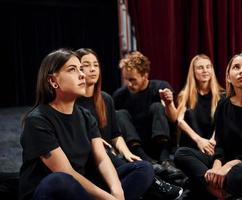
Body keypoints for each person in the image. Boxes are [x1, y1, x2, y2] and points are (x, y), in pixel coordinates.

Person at [19, 49, 154, 200]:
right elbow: (66, 171)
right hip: (52, 190)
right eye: (72, 70)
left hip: (81, 189)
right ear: (52, 81)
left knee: (143, 169)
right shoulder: (37, 121)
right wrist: (109, 198)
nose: (82, 74)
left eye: (80, 69)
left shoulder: (85, 115)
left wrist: (117, 192)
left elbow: (102, 159)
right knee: (59, 179)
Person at [75, 48, 183, 200]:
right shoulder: (74, 102)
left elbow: (115, 134)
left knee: (141, 168)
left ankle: (157, 172)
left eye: (96, 65)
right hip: (94, 160)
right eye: (86, 65)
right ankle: (156, 183)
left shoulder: (105, 99)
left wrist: (127, 153)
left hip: (130, 149)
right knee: (141, 168)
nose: (92, 69)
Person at [174, 52, 242, 200]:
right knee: (182, 153)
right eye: (236, 67)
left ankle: (204, 184)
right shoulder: (223, 104)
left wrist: (229, 166)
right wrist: (217, 166)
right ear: (229, 77)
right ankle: (215, 190)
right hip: (224, 166)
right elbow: (220, 145)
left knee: (240, 173)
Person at [113, 51, 183, 180]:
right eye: (126, 79)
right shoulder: (119, 96)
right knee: (119, 114)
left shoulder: (160, 87)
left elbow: (174, 120)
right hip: (137, 147)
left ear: (145, 75)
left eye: (133, 80)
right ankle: (148, 161)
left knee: (157, 106)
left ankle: (165, 161)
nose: (129, 84)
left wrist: (168, 103)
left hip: (159, 142)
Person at [160, 54, 224, 155]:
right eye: (200, 68)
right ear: (193, 71)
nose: (205, 70)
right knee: (180, 154)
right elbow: (179, 120)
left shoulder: (222, 96)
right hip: (191, 148)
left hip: (213, 148)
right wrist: (199, 140)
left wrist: (211, 142)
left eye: (208, 67)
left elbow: (222, 122)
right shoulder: (185, 95)